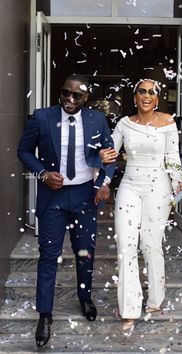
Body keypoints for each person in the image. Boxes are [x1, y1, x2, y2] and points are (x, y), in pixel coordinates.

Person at [17, 74, 115, 347]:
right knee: (48, 256)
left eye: (76, 96)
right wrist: (43, 173)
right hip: (53, 199)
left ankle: (85, 298)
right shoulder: (41, 117)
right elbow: (23, 151)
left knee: (85, 253)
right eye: (65, 93)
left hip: (85, 197)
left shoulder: (97, 119)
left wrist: (103, 181)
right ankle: (45, 314)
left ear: (87, 98)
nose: (69, 100)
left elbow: (109, 155)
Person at [99, 78, 182, 331]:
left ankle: (155, 299)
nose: (146, 95)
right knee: (126, 244)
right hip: (129, 185)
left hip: (158, 186)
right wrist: (101, 161)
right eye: (142, 91)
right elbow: (110, 154)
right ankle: (129, 309)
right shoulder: (124, 124)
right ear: (135, 97)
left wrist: (179, 182)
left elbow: (172, 157)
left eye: (152, 92)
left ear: (157, 98)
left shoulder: (168, 122)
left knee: (150, 243)